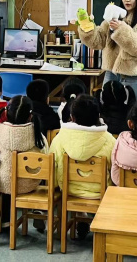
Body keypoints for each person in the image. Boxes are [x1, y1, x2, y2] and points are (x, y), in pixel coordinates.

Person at [49, 94, 116, 239]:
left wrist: (55, 186)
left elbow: (52, 165)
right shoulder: (109, 140)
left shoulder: (60, 138)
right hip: (100, 192)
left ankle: (81, 217)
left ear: (72, 117)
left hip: (69, 190)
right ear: (98, 116)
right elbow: (115, 170)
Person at [77, 0, 137, 99]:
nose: (127, 0)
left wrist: (121, 29)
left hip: (132, 76)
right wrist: (87, 27)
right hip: (111, 74)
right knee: (106, 107)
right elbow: (97, 41)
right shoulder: (114, 16)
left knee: (130, 109)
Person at [0, 95, 47, 227]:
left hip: (2, 184)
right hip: (29, 184)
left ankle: (6, 220)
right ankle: (37, 210)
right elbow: (45, 157)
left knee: (5, 176)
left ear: (6, 113)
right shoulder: (37, 134)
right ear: (30, 116)